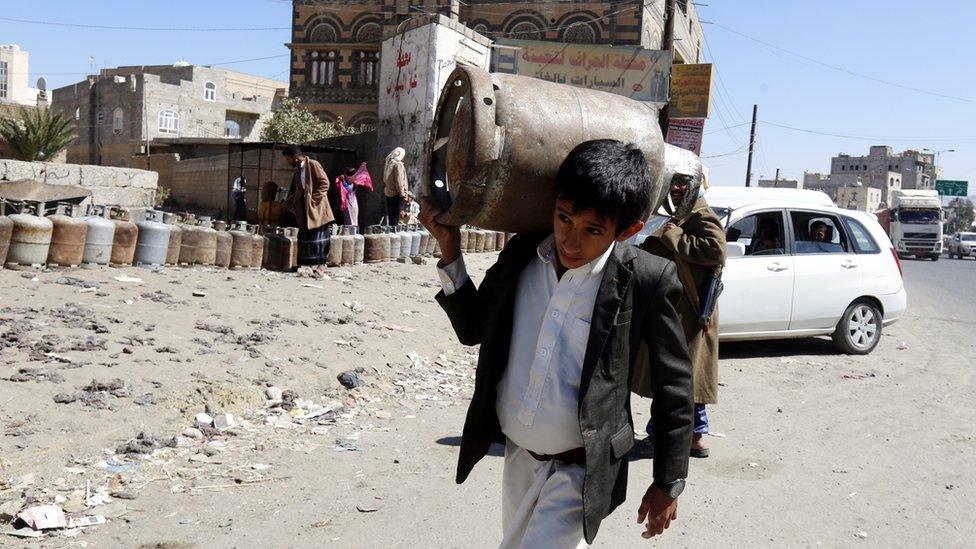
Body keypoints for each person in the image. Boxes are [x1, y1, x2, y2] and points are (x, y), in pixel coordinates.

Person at [422, 139, 694, 546]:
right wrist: (450, 249)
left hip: (581, 471)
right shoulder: (522, 255)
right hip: (518, 458)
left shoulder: (646, 280)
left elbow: (675, 387)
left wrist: (668, 482)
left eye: (592, 230)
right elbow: (474, 329)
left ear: (628, 230)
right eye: (564, 218)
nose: (570, 240)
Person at [633, 174, 726, 459]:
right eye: (674, 184)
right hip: (677, 311)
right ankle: (695, 437)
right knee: (687, 379)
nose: (676, 190)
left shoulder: (700, 215)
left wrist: (671, 233)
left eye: (683, 185)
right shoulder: (678, 216)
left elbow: (715, 250)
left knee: (670, 379)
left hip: (690, 315)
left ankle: (660, 437)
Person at [282, 144, 334, 274]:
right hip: (305, 209)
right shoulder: (298, 170)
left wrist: (314, 200)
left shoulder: (313, 165)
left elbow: (325, 183)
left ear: (294, 157)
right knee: (305, 236)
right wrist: (289, 203)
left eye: (288, 159)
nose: (287, 162)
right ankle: (306, 265)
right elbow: (300, 190)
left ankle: (321, 266)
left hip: (317, 208)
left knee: (319, 238)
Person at [384, 147, 408, 225]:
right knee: (396, 216)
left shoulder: (388, 164)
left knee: (391, 215)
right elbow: (399, 181)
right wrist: (403, 194)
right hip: (397, 194)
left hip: (388, 193)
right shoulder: (398, 164)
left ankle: (391, 232)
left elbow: (384, 179)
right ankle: (394, 233)